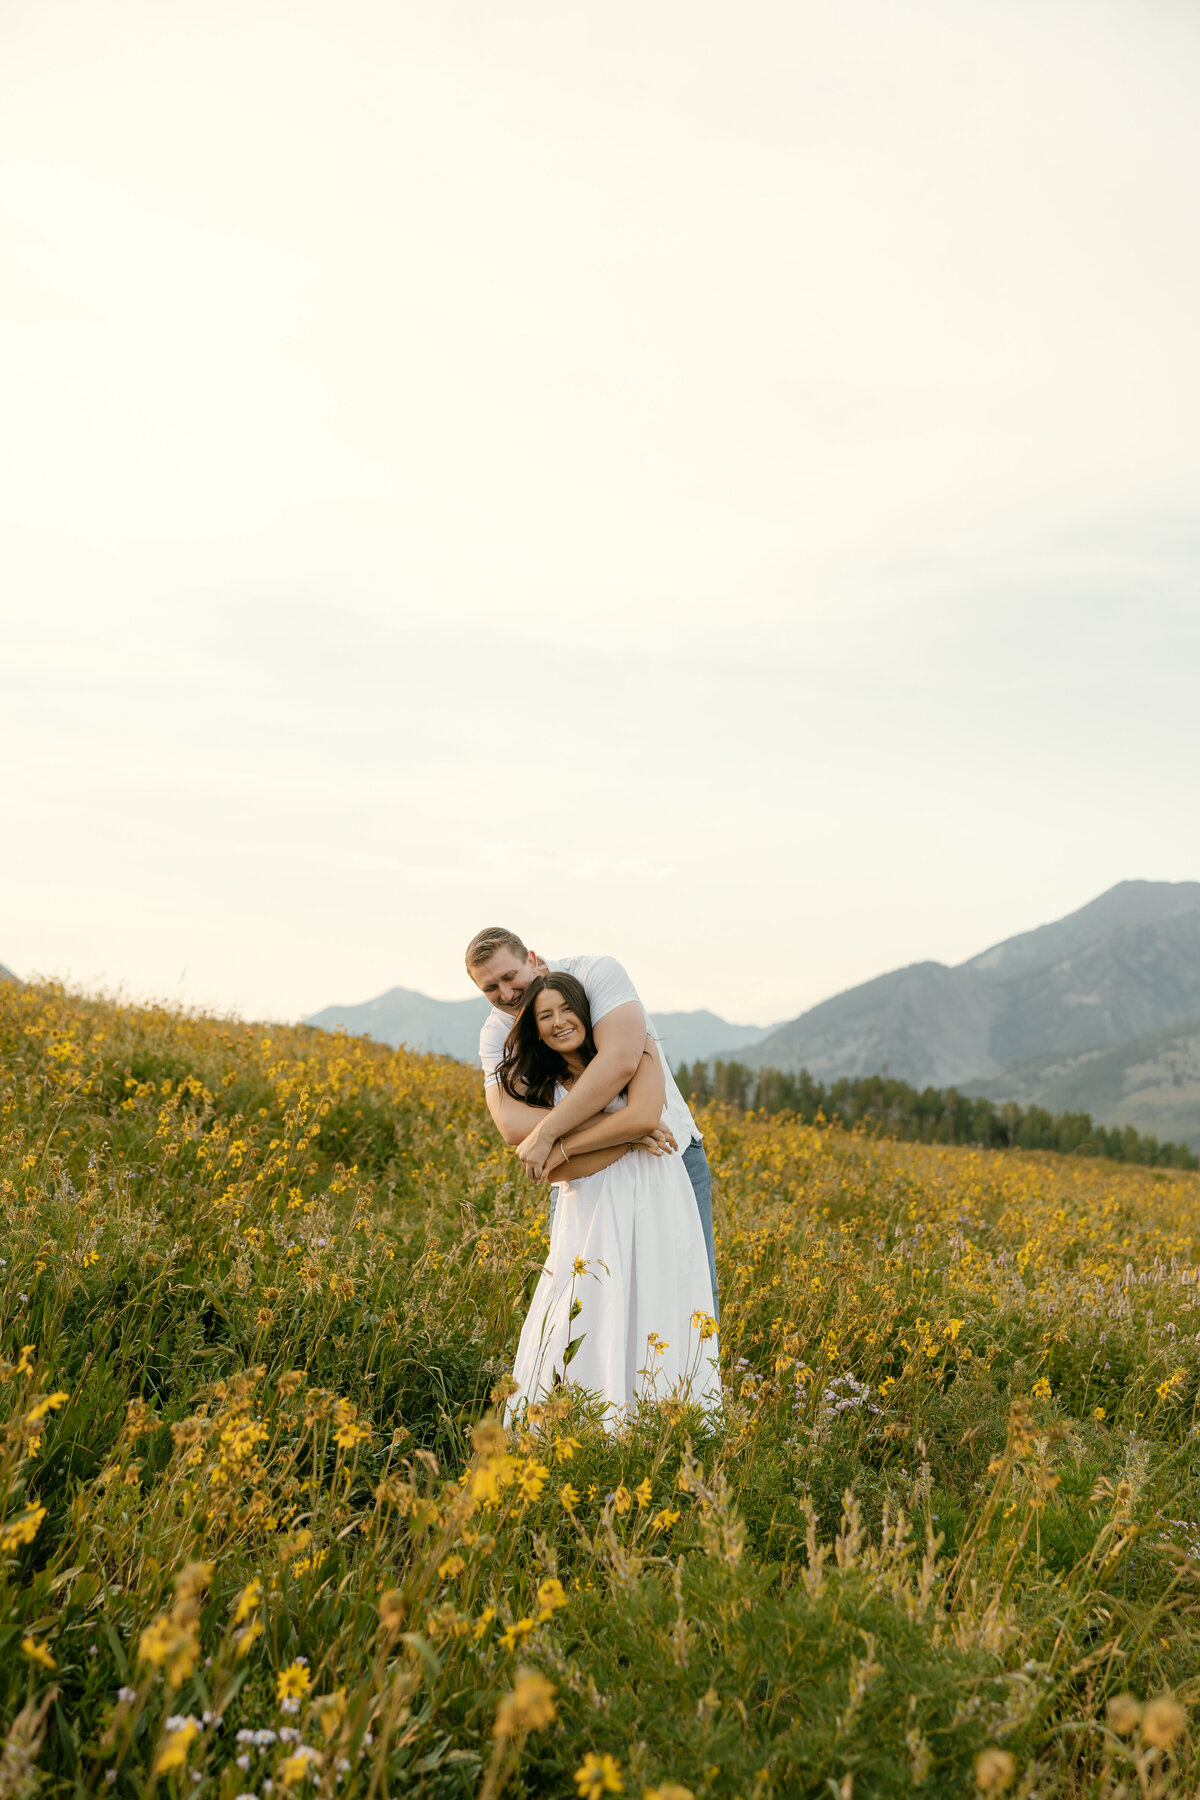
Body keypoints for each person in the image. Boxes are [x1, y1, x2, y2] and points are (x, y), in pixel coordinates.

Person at [495, 970, 720, 1424]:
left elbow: (645, 1116)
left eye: (566, 1009)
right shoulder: (545, 1087)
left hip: (659, 1196)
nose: (559, 1022)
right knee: (588, 1307)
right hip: (591, 1211)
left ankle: (664, 1422)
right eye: (544, 1016)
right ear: (534, 1028)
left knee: (661, 1298)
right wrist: (625, 1142)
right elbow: (557, 1172)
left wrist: (562, 1141)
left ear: (585, 1011)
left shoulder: (637, 1049)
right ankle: (587, 1423)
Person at [465, 926, 720, 1315]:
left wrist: (552, 1134)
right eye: (489, 988)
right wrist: (627, 1131)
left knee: (691, 1289)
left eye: (509, 977)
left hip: (669, 1153)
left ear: (531, 959)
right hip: (585, 1176)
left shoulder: (597, 974)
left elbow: (618, 1063)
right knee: (581, 1299)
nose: (505, 994)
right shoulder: (495, 1032)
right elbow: (512, 1126)